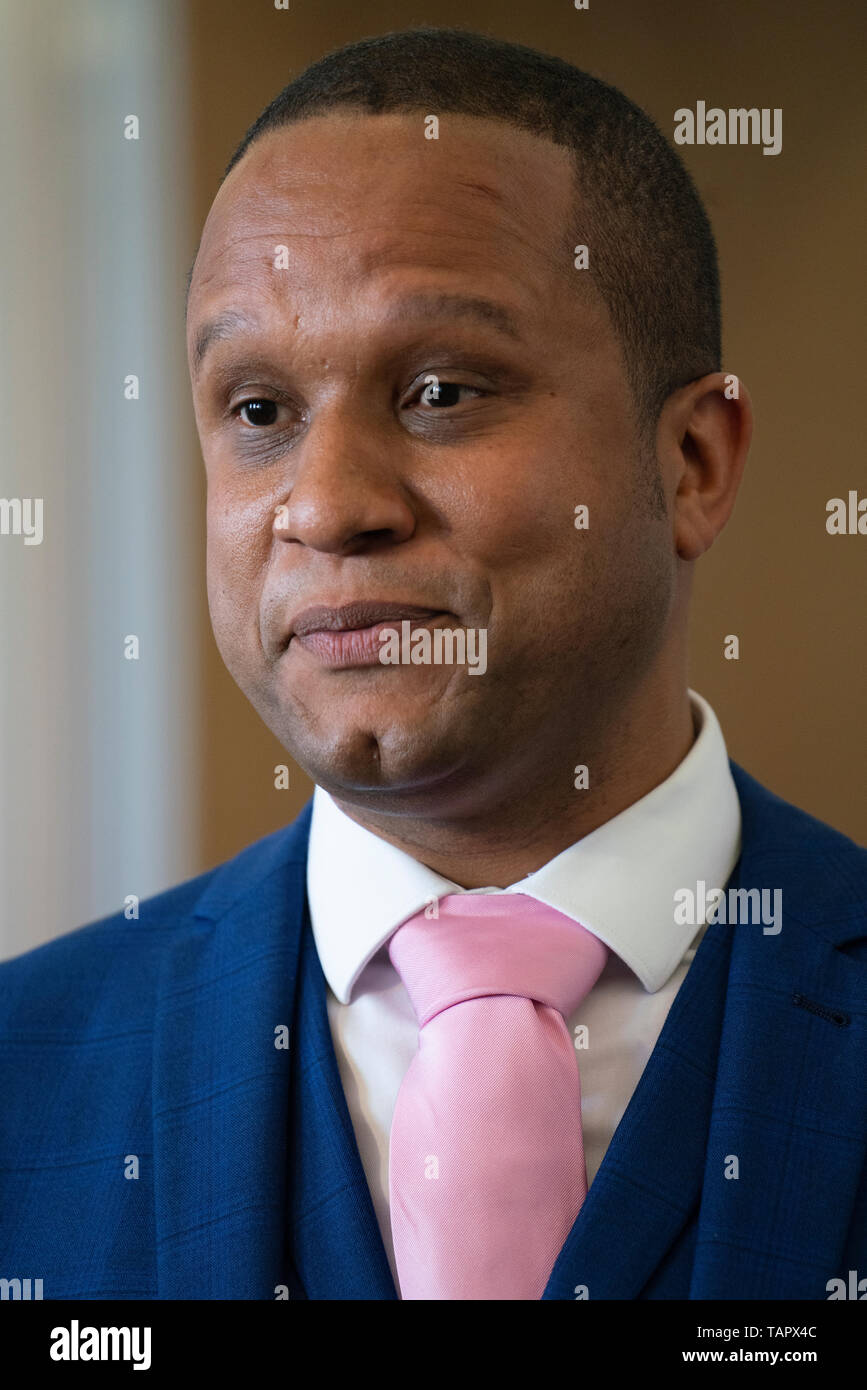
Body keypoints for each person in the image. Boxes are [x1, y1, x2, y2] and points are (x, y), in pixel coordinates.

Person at [1, 27, 864, 1302]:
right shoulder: (24, 1071)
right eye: (258, 412)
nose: (330, 503)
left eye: (443, 391)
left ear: (691, 463)